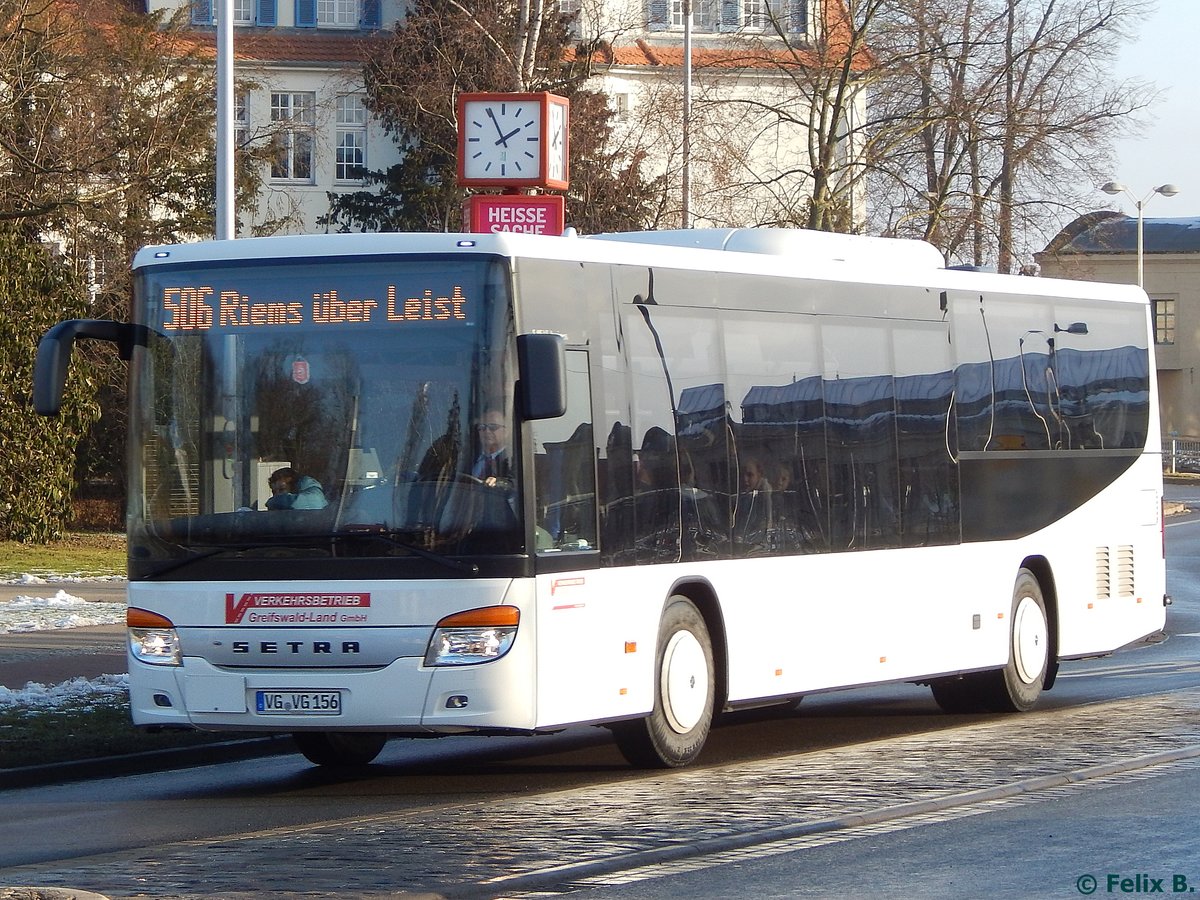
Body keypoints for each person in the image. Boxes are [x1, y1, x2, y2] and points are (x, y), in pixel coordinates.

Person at [471, 410, 513, 485]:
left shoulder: (512, 460)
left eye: (493, 427)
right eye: (482, 427)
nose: (487, 431)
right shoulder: (468, 458)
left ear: (506, 432)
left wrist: (499, 483)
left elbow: (516, 484)